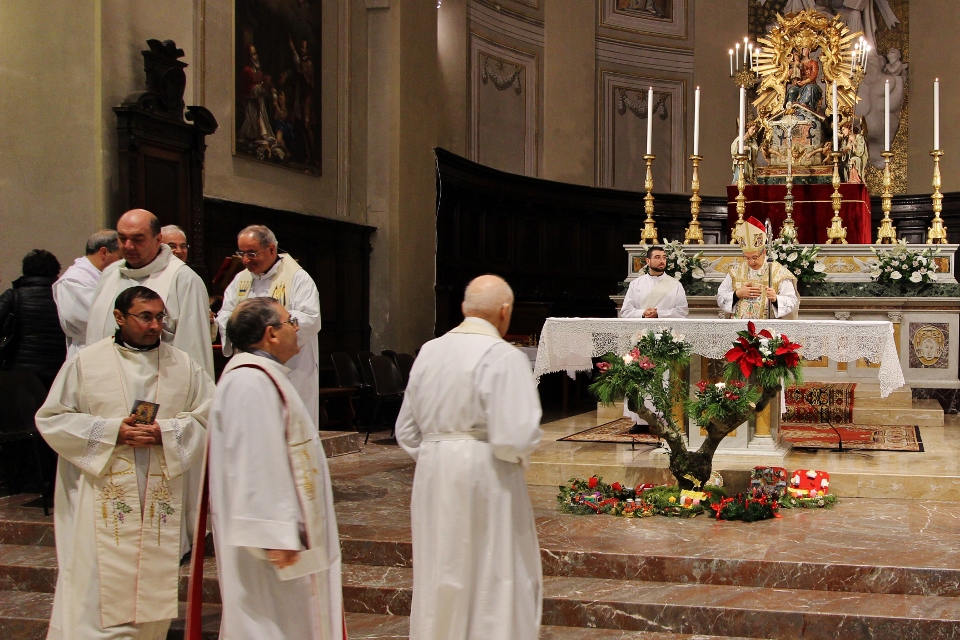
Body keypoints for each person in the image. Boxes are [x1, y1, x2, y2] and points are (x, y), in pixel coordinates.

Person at [36, 286, 213, 639]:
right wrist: (112, 431)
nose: (155, 325)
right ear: (119, 317)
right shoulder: (87, 363)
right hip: (103, 489)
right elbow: (53, 419)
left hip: (159, 489)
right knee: (98, 581)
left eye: (160, 317)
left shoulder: (182, 365)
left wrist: (166, 432)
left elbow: (210, 417)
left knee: (151, 582)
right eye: (145, 317)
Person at [396, 274, 543, 640]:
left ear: (464, 308)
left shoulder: (429, 351)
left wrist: (439, 454)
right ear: (505, 312)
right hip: (486, 472)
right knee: (492, 569)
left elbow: (406, 431)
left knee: (441, 566)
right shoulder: (504, 355)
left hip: (433, 471)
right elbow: (515, 437)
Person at [209, 297, 344, 639]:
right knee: (271, 624)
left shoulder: (263, 376)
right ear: (271, 334)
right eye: (289, 322)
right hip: (268, 541)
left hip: (279, 532)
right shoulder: (249, 382)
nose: (296, 328)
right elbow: (254, 461)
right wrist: (275, 534)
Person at [86, 209, 214, 377]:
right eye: (122, 238)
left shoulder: (183, 279)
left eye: (138, 239)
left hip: (159, 382)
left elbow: (193, 347)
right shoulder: (110, 273)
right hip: (107, 377)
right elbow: (94, 332)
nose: (128, 246)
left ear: (158, 239)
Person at [217, 225, 322, 427]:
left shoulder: (298, 278)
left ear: (271, 249)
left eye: (251, 253)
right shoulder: (240, 280)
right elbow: (226, 313)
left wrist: (264, 333)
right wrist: (240, 328)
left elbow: (310, 318)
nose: (245, 260)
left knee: (289, 425)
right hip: (250, 367)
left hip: (291, 367)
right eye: (241, 253)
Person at [0, 249, 67, 388]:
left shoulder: (14, 296)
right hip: (59, 368)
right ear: (56, 272)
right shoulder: (65, 296)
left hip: (20, 370)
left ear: (25, 271)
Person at [52, 230, 121, 357]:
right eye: (120, 257)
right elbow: (95, 319)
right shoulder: (74, 280)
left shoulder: (113, 275)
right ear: (104, 252)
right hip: (90, 350)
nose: (124, 262)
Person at [717, 217, 799, 319]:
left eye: (754, 257)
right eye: (747, 258)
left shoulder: (778, 272)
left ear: (764, 252)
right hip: (739, 326)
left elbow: (792, 301)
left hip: (768, 327)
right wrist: (737, 294)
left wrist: (776, 299)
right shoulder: (735, 272)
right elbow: (720, 297)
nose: (751, 262)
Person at [619, 246, 688, 319]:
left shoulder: (676, 285)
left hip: (666, 326)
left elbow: (682, 311)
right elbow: (626, 312)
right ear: (648, 261)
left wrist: (659, 314)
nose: (662, 261)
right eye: (657, 257)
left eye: (664, 257)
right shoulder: (635, 284)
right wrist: (643, 313)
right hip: (641, 325)